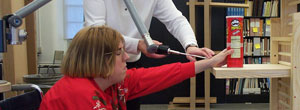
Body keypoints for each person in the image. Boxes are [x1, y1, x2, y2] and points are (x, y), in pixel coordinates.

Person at [39, 26, 232, 110]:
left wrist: (208, 62)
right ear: (99, 59)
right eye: (120, 52)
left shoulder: (109, 82)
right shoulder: (78, 94)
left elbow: (162, 75)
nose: (126, 57)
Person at [83, 0, 215, 109]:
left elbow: (176, 19)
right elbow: (97, 31)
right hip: (98, 63)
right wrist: (137, 45)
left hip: (128, 65)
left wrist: (190, 45)